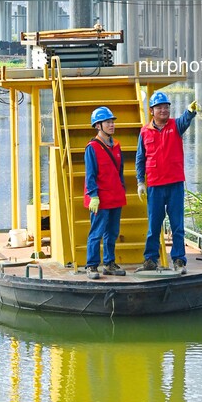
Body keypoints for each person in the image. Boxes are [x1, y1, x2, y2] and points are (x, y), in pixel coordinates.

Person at [136, 91, 199, 274]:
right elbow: (140, 158)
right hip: (155, 185)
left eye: (166, 107)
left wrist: (190, 111)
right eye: (160, 108)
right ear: (152, 111)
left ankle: (179, 260)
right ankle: (150, 259)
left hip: (175, 184)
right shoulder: (145, 132)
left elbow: (185, 120)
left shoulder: (175, 126)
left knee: (177, 223)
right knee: (154, 224)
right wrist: (141, 182)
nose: (164, 110)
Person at [84, 106, 127, 279]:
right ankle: (91, 265)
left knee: (112, 232)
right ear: (98, 126)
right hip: (100, 199)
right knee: (96, 233)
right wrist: (93, 195)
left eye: (112, 122)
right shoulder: (92, 148)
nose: (111, 125)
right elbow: (90, 174)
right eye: (107, 122)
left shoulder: (116, 146)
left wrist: (121, 188)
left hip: (115, 197)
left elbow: (120, 171)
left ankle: (109, 263)